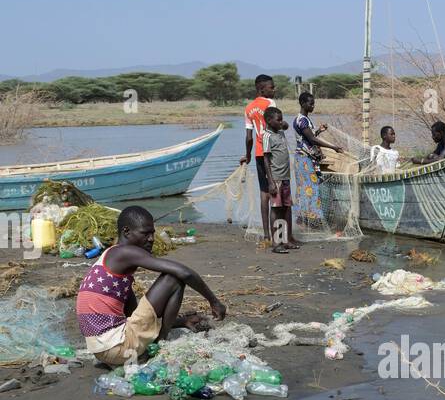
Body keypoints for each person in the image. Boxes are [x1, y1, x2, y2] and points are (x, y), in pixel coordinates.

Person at [76, 206, 226, 368]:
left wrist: (181, 321)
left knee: (173, 277)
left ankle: (154, 341)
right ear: (126, 232)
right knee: (173, 278)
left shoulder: (111, 259)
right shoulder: (125, 253)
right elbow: (184, 272)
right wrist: (214, 301)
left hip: (105, 352)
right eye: (145, 233)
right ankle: (160, 345)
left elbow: (134, 315)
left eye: (152, 233)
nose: (152, 239)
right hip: (119, 349)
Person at [292, 91, 343, 227]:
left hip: (306, 159)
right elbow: (312, 139)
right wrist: (333, 147)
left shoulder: (304, 119)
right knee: (310, 187)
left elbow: (309, 136)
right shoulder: (302, 120)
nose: (313, 106)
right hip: (304, 159)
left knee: (307, 187)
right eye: (311, 103)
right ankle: (310, 219)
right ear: (303, 104)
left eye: (314, 103)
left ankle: (305, 219)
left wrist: (319, 130)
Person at [242, 74, 279, 242]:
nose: (274, 90)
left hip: (258, 153)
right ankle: (279, 233)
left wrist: (247, 155)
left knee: (264, 192)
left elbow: (249, 137)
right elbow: (277, 127)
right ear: (261, 89)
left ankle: (266, 234)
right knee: (276, 191)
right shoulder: (270, 104)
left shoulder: (249, 108)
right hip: (272, 152)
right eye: (271, 87)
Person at [261, 106, 298, 251]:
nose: (281, 122)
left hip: (285, 178)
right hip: (275, 178)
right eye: (278, 119)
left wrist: (282, 122)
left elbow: (287, 126)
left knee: (286, 208)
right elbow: (266, 159)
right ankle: (276, 243)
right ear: (269, 121)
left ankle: (286, 239)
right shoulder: (267, 136)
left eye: (281, 119)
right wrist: (270, 182)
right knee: (276, 210)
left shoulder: (280, 132)